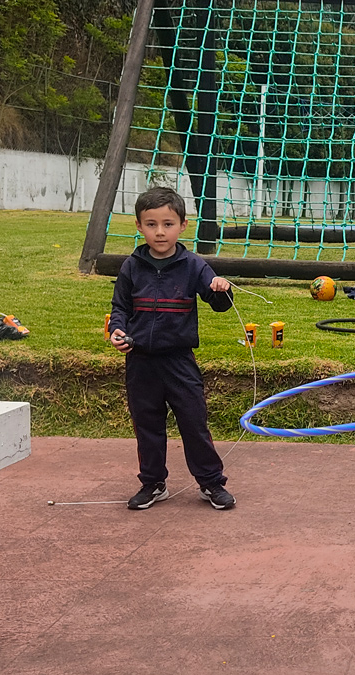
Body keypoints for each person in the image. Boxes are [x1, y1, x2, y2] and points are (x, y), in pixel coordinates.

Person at [108, 186, 236, 511]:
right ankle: (153, 483)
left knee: (194, 423)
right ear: (139, 226)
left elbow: (219, 304)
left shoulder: (194, 265)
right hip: (140, 362)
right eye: (151, 224)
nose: (160, 232)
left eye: (168, 224)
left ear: (183, 226)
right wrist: (117, 330)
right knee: (147, 425)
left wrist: (221, 289)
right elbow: (120, 308)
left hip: (180, 362)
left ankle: (211, 482)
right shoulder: (131, 266)